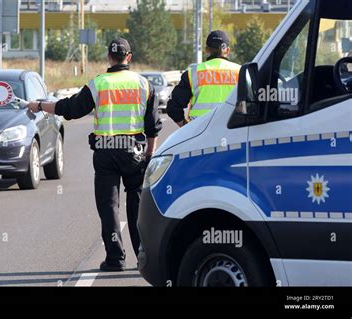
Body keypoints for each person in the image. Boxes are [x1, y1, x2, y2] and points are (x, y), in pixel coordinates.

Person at [26, 38, 162, 272]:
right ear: (128, 58)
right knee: (137, 205)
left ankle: (115, 258)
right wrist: (150, 154)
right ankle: (143, 256)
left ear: (109, 58)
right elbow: (153, 126)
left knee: (109, 206)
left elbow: (70, 109)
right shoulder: (144, 85)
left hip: (106, 152)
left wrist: (39, 105)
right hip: (135, 153)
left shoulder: (98, 84)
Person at [167, 30, 241, 127]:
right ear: (227, 50)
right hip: (232, 130)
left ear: (207, 49)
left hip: (199, 132)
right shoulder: (241, 72)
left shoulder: (192, 73)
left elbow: (173, 107)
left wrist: (186, 127)